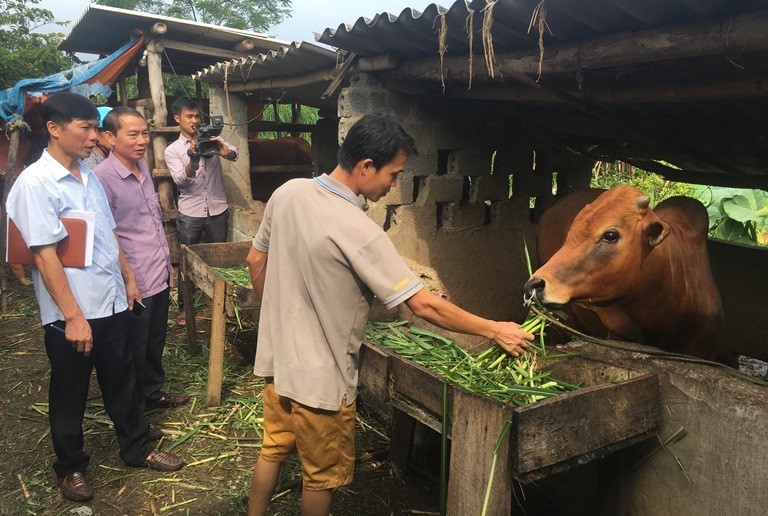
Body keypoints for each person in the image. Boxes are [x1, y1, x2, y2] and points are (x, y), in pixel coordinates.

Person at [245, 112, 533, 516]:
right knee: (320, 477)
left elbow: (255, 259)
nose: (394, 184)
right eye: (394, 175)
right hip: (321, 379)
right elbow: (423, 304)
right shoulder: (358, 230)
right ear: (366, 166)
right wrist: (494, 329)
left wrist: (278, 317)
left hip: (278, 363)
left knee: (272, 449)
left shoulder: (288, 192)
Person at [6, 93, 183, 503]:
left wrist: (128, 279)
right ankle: (71, 467)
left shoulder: (87, 174)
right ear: (54, 128)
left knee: (122, 378)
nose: (93, 136)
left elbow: (107, 234)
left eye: (94, 128)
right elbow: (44, 255)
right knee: (70, 390)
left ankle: (137, 446)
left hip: (112, 300)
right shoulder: (36, 183)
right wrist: (73, 317)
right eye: (84, 128)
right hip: (72, 313)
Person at [94, 106, 190, 440]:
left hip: (158, 270)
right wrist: (128, 278)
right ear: (109, 138)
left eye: (144, 134)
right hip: (133, 278)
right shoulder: (102, 179)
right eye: (132, 134)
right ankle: (135, 413)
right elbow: (109, 233)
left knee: (154, 340)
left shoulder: (142, 170)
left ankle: (152, 393)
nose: (141, 141)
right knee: (133, 348)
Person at [164, 97, 238, 327]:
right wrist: (193, 160)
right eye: (190, 117)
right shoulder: (172, 150)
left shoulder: (213, 138)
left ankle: (222, 305)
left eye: (197, 116)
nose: (195, 121)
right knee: (187, 264)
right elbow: (180, 181)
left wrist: (226, 152)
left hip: (217, 208)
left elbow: (234, 152)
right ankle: (186, 309)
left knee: (220, 261)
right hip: (190, 212)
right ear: (177, 119)